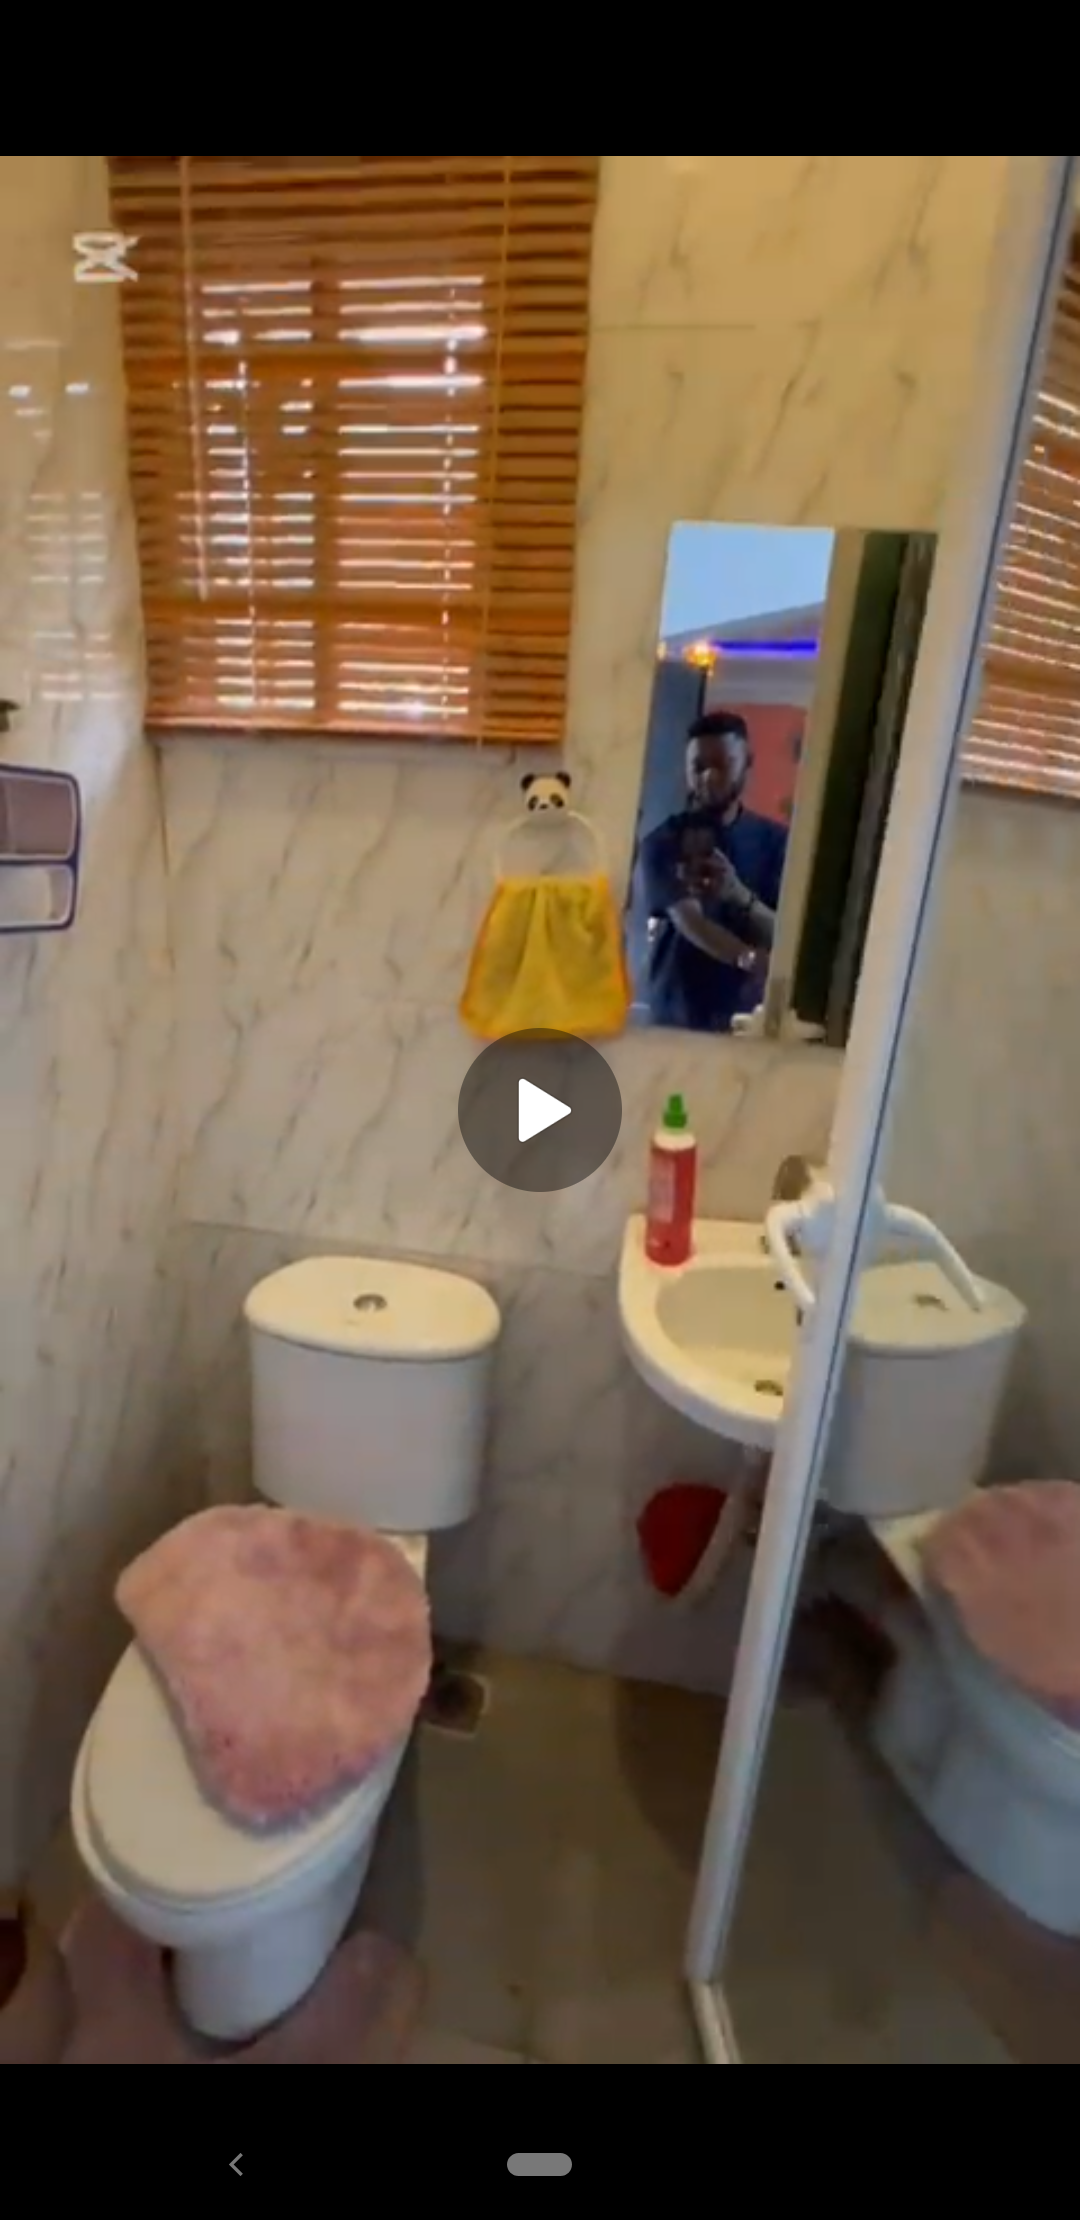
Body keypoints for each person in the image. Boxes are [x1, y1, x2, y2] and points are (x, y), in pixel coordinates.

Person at [639, 710, 788, 1033]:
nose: (708, 777)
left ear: (747, 761)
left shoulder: (778, 843)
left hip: (748, 1018)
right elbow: (690, 921)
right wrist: (748, 957)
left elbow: (786, 933)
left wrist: (739, 896)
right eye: (698, 767)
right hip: (676, 1014)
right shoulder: (663, 840)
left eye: (721, 765)